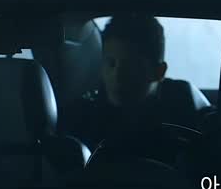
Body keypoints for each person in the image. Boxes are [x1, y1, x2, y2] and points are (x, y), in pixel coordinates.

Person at [61, 14, 168, 150]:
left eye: (130, 67)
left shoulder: (176, 118)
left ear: (159, 72)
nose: (117, 75)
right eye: (111, 63)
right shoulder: (80, 119)